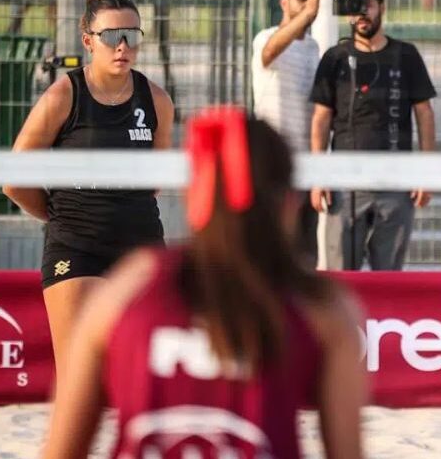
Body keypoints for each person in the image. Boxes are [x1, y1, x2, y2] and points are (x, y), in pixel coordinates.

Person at [41, 107, 366, 459]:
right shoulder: (323, 310)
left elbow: (61, 451)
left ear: (193, 196)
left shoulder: (127, 289)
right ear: (290, 203)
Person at [2, 0, 174, 391]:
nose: (123, 46)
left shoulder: (157, 101)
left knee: (149, 376)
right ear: (88, 41)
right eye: (112, 36)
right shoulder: (64, 96)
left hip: (141, 248)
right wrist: (57, 213)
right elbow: (14, 178)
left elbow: (155, 180)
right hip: (76, 247)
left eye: (133, 35)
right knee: (80, 380)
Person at [309, 0, 437, 271]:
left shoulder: (406, 55)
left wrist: (428, 172)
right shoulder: (335, 59)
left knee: (389, 277)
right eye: (353, 7)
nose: (361, 14)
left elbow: (425, 113)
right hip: (344, 183)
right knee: (340, 276)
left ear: (382, 6)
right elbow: (321, 118)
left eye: (367, 5)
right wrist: (319, 175)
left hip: (394, 181)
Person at [252, 0, 327, 266]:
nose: (310, 5)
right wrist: (307, 14)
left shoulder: (313, 48)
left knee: (304, 256)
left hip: (305, 168)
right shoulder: (266, 38)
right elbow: (270, 52)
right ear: (284, 3)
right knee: (270, 252)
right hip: (273, 165)